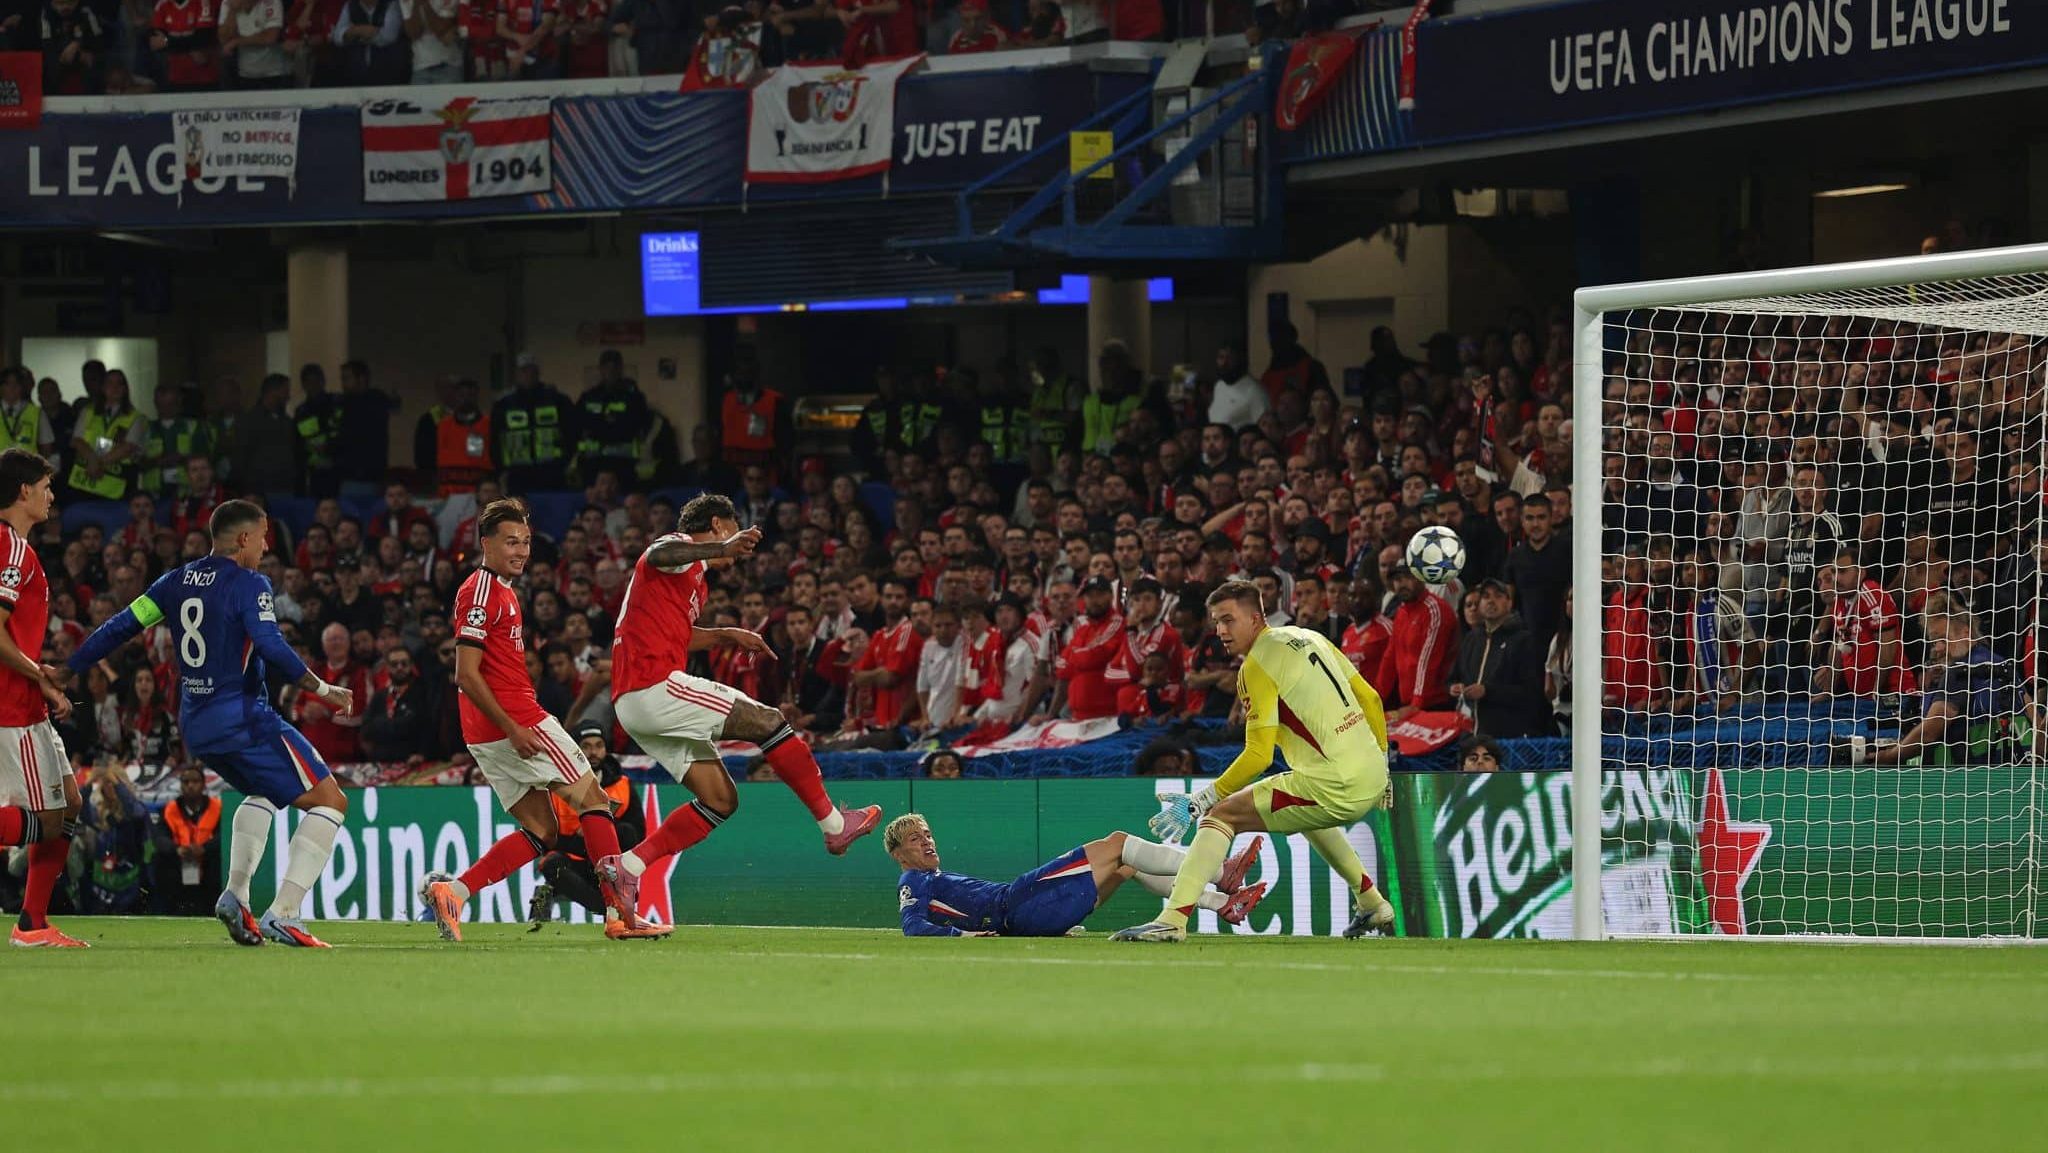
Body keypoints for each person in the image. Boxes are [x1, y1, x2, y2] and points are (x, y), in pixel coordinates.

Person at [65, 498, 357, 948]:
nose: (265, 547)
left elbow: (119, 626)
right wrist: (324, 689)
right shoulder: (249, 583)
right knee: (331, 801)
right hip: (243, 718)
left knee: (265, 792)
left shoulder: (176, 581)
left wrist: (67, 669)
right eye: (262, 538)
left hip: (196, 724)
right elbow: (272, 646)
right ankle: (285, 912)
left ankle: (236, 896)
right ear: (243, 539)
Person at [600, 493, 882, 926]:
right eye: (731, 533)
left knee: (719, 799)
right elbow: (659, 551)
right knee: (770, 722)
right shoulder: (678, 551)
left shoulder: (692, 577)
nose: (738, 550)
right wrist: (720, 547)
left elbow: (674, 634)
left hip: (635, 702)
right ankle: (832, 824)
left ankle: (629, 868)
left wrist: (727, 635)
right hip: (653, 685)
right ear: (716, 525)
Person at [419, 499, 662, 943]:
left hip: (485, 731)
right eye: (510, 542)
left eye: (526, 542)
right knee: (593, 801)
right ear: (485, 543)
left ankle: (453, 892)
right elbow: (466, 675)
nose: (520, 551)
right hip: (517, 721)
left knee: (542, 829)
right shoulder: (479, 592)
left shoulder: (503, 591)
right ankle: (620, 914)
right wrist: (514, 728)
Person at [1113, 580, 1395, 943]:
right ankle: (1371, 901)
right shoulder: (1311, 637)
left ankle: (1172, 919)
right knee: (1303, 809)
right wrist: (1383, 766)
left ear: (1255, 618)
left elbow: (1259, 756)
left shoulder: (1257, 665)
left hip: (1337, 785)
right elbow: (1371, 699)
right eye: (1216, 621)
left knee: (1220, 816)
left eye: (1229, 620)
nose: (1220, 631)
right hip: (1372, 775)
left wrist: (1204, 799)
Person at [887, 814, 1269, 937]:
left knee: (1127, 865)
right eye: (915, 839)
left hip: (1030, 913)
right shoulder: (914, 881)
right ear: (898, 854)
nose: (927, 842)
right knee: (1118, 843)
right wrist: (962, 935)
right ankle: (1222, 873)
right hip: (1020, 903)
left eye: (928, 835)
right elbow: (911, 924)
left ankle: (1223, 903)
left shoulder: (932, 878)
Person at [0, 451, 85, 947]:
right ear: (23, 491)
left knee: (70, 804)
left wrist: (40, 678)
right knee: (49, 819)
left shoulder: (18, 549)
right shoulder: (11, 550)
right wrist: (42, 677)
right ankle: (30, 924)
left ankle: (32, 924)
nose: (52, 496)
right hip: (11, 707)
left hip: (26, 699)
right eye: (47, 486)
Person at [156, 765, 221, 916]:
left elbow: (224, 838)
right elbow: (159, 837)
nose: (190, 786)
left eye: (195, 781)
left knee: (219, 862)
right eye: (186, 782)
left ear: (203, 784)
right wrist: (176, 849)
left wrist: (205, 848)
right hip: (179, 862)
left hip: (207, 863)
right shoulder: (169, 809)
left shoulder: (217, 808)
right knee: (160, 860)